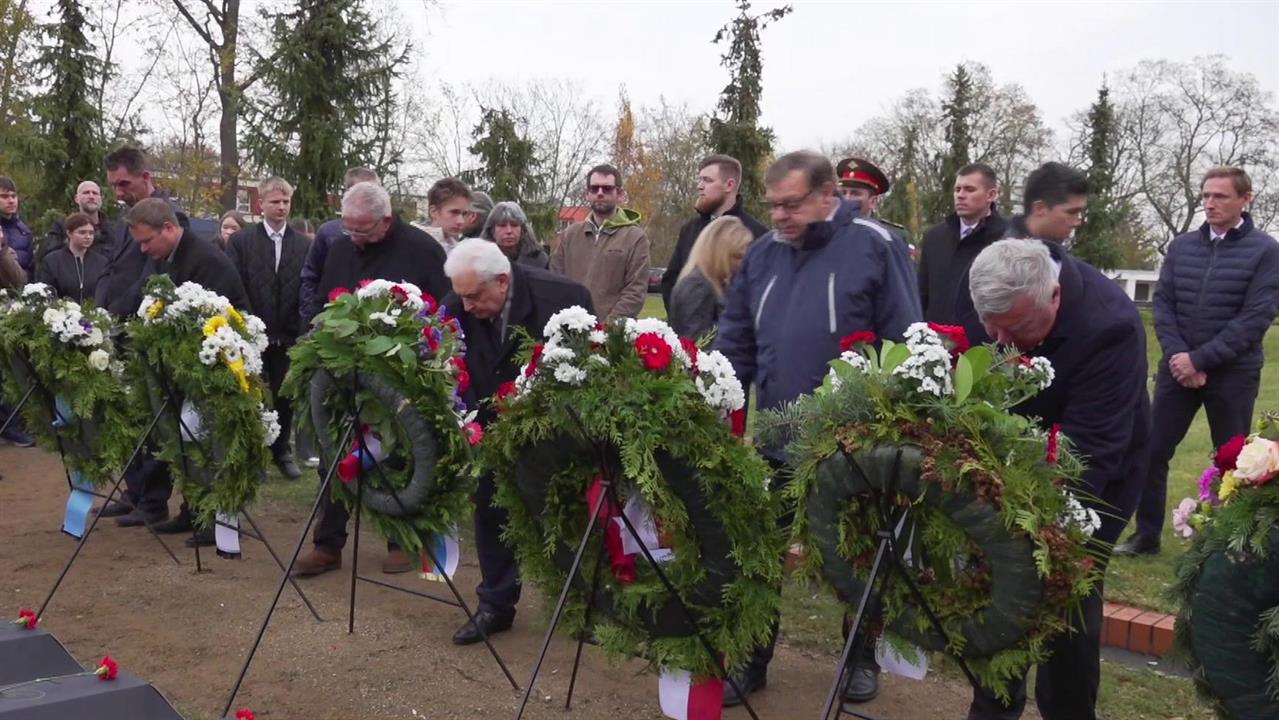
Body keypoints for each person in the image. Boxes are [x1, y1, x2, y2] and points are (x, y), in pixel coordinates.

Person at [714, 150, 922, 707]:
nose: (779, 216)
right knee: (760, 551)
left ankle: (860, 656)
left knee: (858, 554)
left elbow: (905, 342)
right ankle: (752, 656)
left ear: (828, 195)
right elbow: (736, 338)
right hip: (777, 439)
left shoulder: (876, 247)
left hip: (854, 445)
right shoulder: (762, 255)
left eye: (791, 204)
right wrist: (717, 398)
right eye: (773, 205)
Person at [958, 238, 1150, 720]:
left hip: (1096, 474)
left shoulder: (1111, 326)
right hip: (1009, 460)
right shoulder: (994, 294)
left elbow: (1092, 449)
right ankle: (992, 708)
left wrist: (1031, 523)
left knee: (1067, 603)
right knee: (996, 591)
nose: (1004, 343)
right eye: (992, 328)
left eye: (1019, 329)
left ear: (1055, 296)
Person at [1117, 167, 1279, 557]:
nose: (1209, 203)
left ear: (1246, 199)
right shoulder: (1181, 247)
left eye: (1220, 196)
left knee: (1233, 463)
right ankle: (1146, 536)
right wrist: (1180, 358)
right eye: (1205, 195)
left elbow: (1256, 317)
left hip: (1233, 374)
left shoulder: (1266, 251)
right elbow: (1164, 305)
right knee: (1151, 450)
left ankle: (1223, 546)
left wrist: (1200, 359)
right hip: (1177, 370)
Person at [293, 181, 450, 577]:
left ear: (386, 221)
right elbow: (327, 300)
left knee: (396, 454)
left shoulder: (422, 250)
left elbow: (443, 311)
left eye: (361, 229)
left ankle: (401, 541)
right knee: (334, 454)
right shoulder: (341, 247)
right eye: (347, 227)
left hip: (398, 378)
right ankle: (327, 544)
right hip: (344, 374)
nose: (353, 237)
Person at [442, 238, 594, 644]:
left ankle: (582, 606)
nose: (467, 306)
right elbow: (449, 360)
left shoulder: (563, 299)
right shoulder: (459, 303)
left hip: (550, 430)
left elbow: (587, 369)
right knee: (491, 512)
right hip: (487, 427)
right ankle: (495, 605)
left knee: (562, 515)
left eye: (475, 297)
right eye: (462, 296)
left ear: (502, 281)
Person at [119, 198, 252, 539]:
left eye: (147, 241)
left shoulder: (205, 261)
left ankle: (218, 519)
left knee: (207, 442)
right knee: (187, 440)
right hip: (185, 365)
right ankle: (194, 510)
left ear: (168, 228)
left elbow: (216, 319)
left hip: (219, 364)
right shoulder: (166, 256)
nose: (144, 249)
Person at [226, 177, 310, 483]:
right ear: (261, 203)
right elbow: (235, 284)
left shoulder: (303, 244)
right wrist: (247, 325)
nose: (281, 207)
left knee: (284, 396)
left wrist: (300, 327)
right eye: (275, 201)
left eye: (286, 201)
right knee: (254, 395)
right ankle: (255, 454)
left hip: (287, 334)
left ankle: (281, 451)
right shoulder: (242, 242)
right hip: (253, 333)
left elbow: (306, 287)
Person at [659, 154, 767, 310]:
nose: (700, 186)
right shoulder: (690, 229)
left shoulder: (756, 234)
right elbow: (670, 280)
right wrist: (682, 318)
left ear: (729, 185)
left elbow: (758, 292)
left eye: (707, 180)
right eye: (699, 180)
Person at [95, 146, 191, 318]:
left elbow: (155, 277)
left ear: (145, 177)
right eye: (113, 186)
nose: (118, 193)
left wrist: (115, 312)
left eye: (124, 184)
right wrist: (100, 306)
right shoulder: (125, 215)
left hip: (140, 318)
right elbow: (111, 264)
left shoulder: (172, 216)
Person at [551, 163, 649, 322]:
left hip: (612, 333)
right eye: (594, 188)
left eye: (607, 188)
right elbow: (555, 282)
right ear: (587, 194)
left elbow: (635, 292)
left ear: (620, 194)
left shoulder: (635, 237)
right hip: (570, 329)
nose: (600, 193)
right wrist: (566, 324)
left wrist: (606, 329)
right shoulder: (569, 235)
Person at [917, 163, 1007, 323]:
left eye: (969, 189)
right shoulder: (934, 237)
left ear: (991, 195)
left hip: (986, 336)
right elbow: (922, 295)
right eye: (957, 189)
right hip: (936, 335)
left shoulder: (1008, 239)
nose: (960, 195)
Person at [299, 166, 380, 328]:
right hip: (333, 321)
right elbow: (311, 278)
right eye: (364, 193)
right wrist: (310, 322)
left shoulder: (385, 233)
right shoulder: (329, 233)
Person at [668, 216, 752, 340]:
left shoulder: (715, 285)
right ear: (720, 253)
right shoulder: (698, 287)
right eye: (737, 256)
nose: (742, 263)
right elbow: (698, 343)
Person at [835, 157, 914, 259]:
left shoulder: (893, 236)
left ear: (873, 201)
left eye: (855, 193)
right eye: (843, 193)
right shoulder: (828, 233)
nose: (847, 199)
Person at [36, 212, 107, 301]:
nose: (88, 236)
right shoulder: (52, 261)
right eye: (82, 232)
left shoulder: (102, 262)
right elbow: (46, 293)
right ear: (69, 233)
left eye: (91, 233)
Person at [40, 181, 113, 262]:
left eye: (95, 193)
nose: (91, 196)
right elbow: (50, 258)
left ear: (101, 199)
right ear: (76, 199)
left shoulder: (113, 230)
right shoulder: (62, 227)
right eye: (86, 193)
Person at [479, 201, 548, 268]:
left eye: (514, 225)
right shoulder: (480, 259)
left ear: (523, 230)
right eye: (502, 225)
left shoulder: (539, 260)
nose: (509, 231)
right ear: (492, 231)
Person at [423, 177, 473, 255]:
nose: (461, 221)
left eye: (464, 214)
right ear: (433, 211)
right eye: (454, 212)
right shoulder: (414, 246)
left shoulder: (463, 250)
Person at [0, 177, 34, 280]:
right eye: (4, 196)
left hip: (19, 286)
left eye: (13, 196)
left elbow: (31, 269)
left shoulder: (24, 231)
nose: (11, 201)